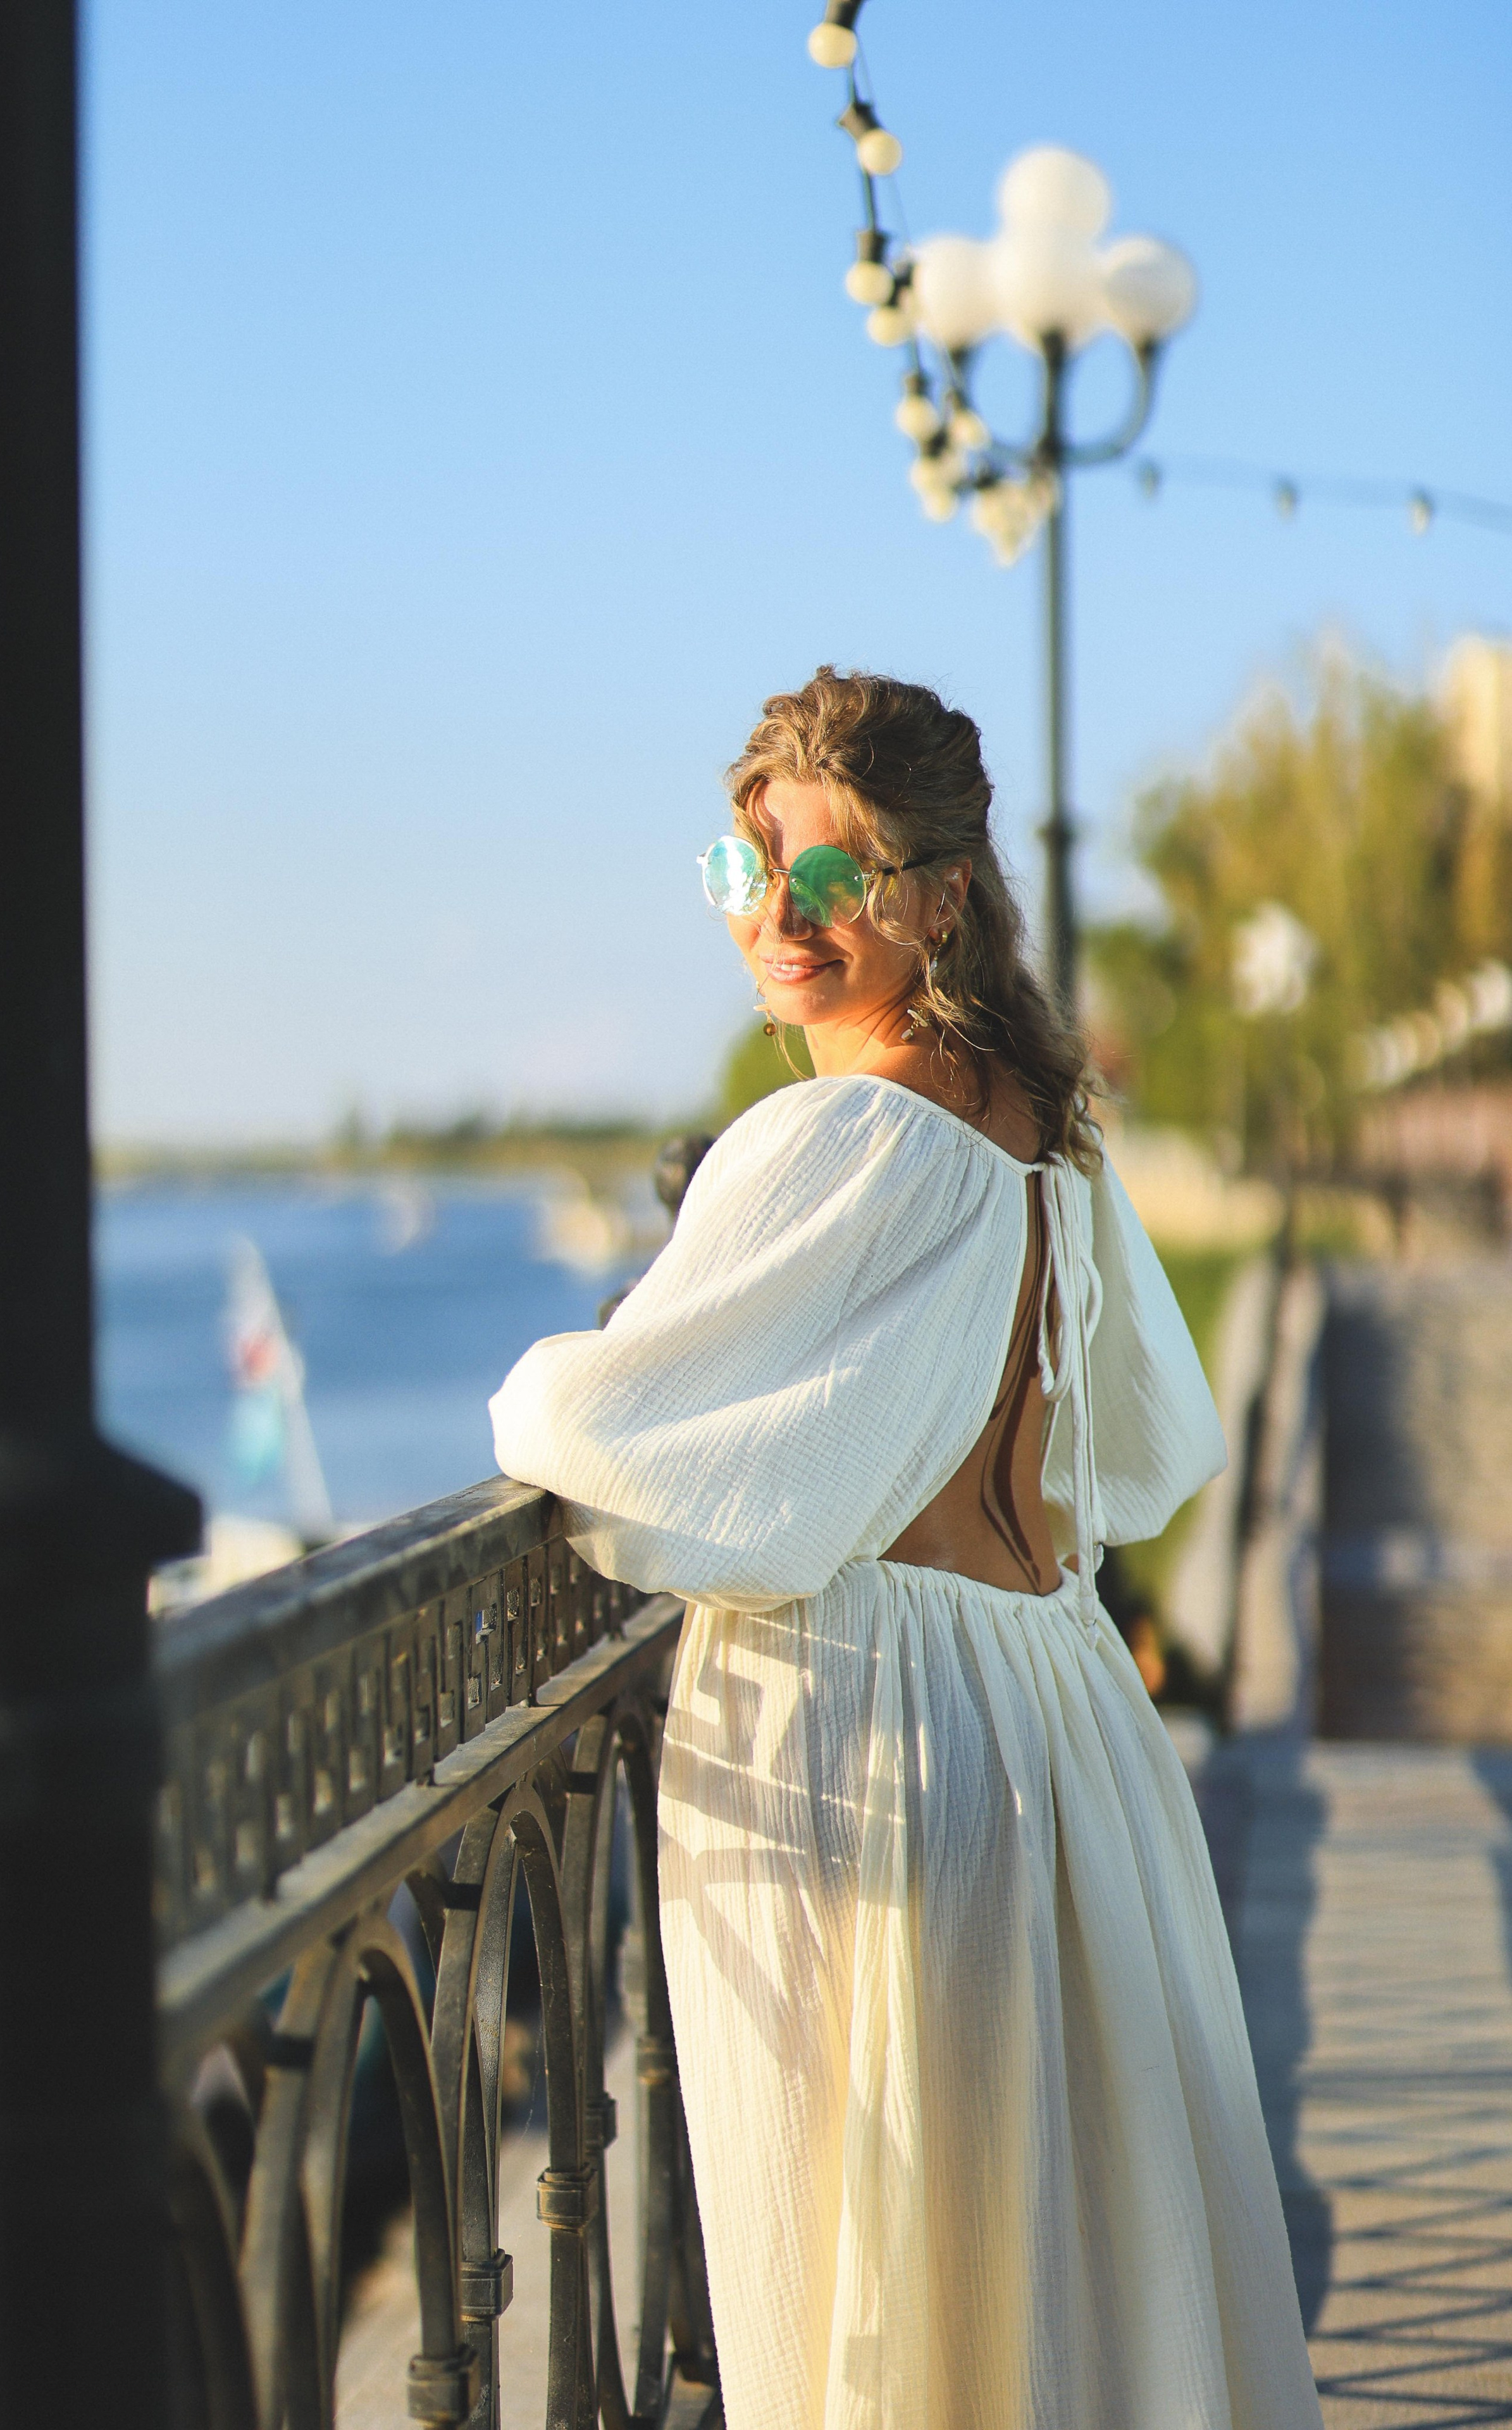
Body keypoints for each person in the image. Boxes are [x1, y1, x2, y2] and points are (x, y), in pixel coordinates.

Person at [491, 669, 1318, 2430]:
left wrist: (543, 1381)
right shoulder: (1040, 1126)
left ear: (943, 892)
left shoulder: (844, 1134)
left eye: (830, 877)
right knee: (1056, 2271)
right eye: (749, 872)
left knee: (886, 2297)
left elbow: (618, 1433)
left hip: (872, 1740)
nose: (778, 923)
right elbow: (1148, 1443)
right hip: (1054, 1711)